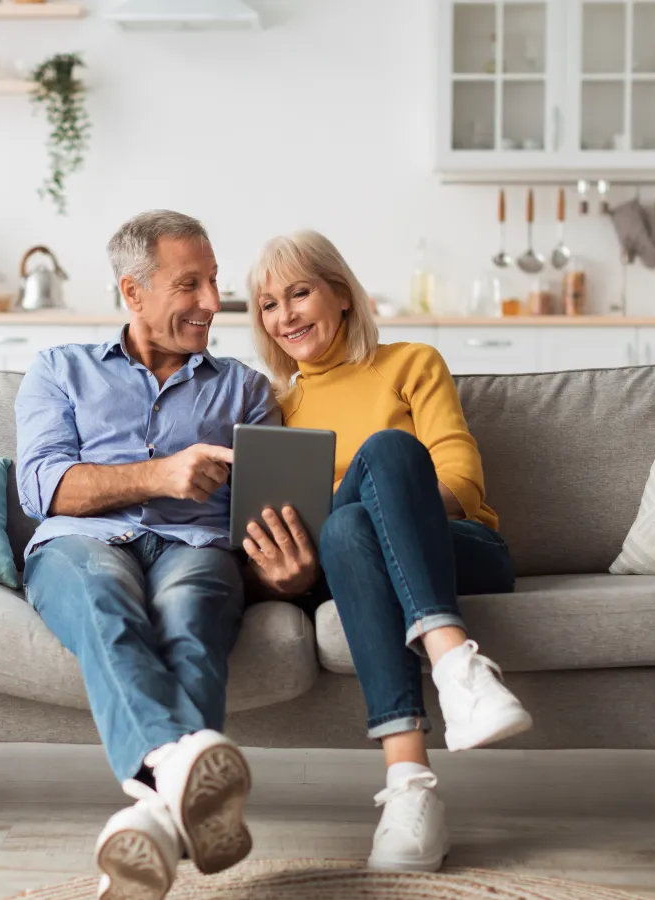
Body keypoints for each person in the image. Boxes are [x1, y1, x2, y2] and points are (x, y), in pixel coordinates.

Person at [238, 230, 529, 873]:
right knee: (345, 533)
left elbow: (462, 484)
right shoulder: (275, 409)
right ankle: (412, 789)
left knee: (391, 454)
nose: (284, 315)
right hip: (347, 567)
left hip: (460, 550)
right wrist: (288, 568)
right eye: (267, 304)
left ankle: (453, 670)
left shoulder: (411, 363)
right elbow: (289, 534)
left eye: (300, 292)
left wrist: (377, 493)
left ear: (341, 295)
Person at [15, 210, 278, 900]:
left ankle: (156, 822)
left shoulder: (246, 390)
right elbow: (42, 487)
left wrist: (293, 569)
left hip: (197, 545)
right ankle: (173, 770)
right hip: (82, 543)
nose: (213, 304)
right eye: (189, 285)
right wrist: (159, 475)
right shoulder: (58, 371)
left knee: (194, 613)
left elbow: (270, 516)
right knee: (105, 603)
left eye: (215, 281)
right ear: (133, 293)